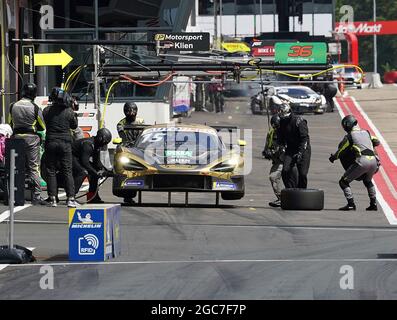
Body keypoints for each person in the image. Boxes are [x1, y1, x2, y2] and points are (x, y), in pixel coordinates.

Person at [329, 115, 380, 211]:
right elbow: (377, 141)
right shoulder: (367, 133)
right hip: (374, 161)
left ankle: (351, 204)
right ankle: (373, 204)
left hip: (362, 161)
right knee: (368, 181)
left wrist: (333, 157)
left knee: (343, 182)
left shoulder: (350, 136)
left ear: (347, 125)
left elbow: (341, 150)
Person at [8, 83, 47, 205]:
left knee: (16, 167)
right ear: (34, 94)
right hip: (31, 139)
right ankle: (36, 196)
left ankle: (14, 195)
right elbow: (42, 126)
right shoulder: (35, 107)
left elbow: (10, 123)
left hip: (17, 138)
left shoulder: (13, 106)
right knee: (34, 167)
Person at [43, 87, 78, 208]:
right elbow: (74, 126)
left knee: (51, 170)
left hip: (51, 141)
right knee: (67, 170)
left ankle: (53, 198)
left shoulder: (46, 110)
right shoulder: (69, 111)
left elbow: (44, 122)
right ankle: (71, 198)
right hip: (65, 143)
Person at [277, 100, 311, 189]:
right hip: (290, 149)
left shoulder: (299, 121)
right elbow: (280, 139)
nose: (284, 119)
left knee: (302, 174)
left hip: (303, 149)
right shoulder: (281, 122)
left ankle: (302, 193)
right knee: (285, 170)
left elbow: (305, 139)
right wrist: (281, 148)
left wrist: (301, 153)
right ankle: (291, 190)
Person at [72, 128, 112, 204]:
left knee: (94, 174)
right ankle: (71, 196)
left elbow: (97, 162)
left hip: (79, 158)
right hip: (70, 157)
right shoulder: (88, 144)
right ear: (100, 138)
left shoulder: (97, 145)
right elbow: (85, 163)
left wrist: (106, 171)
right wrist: (95, 172)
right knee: (83, 172)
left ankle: (92, 197)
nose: (104, 145)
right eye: (104, 142)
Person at [117, 102, 144, 205]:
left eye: (133, 110)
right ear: (125, 111)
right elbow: (123, 136)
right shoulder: (121, 123)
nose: (132, 113)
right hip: (127, 147)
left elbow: (143, 134)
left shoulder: (140, 121)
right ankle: (127, 196)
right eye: (129, 110)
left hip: (139, 147)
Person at [262, 115, 285, 207]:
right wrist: (267, 152)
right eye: (274, 125)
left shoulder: (285, 133)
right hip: (277, 161)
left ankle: (287, 198)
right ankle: (281, 198)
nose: (276, 127)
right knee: (273, 177)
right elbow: (266, 148)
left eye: (277, 125)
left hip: (285, 160)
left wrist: (277, 151)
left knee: (276, 177)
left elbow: (285, 148)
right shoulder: (271, 133)